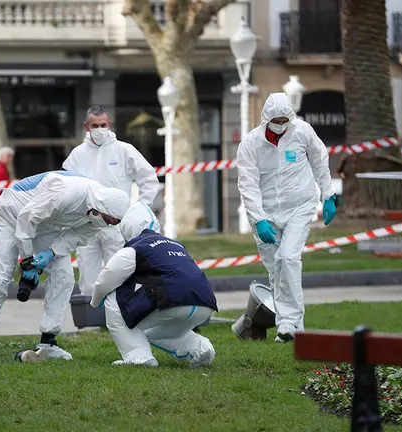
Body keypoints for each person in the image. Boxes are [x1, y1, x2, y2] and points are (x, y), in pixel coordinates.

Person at [0, 170, 131, 364]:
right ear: (101, 208)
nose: (107, 224)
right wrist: (28, 261)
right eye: (107, 220)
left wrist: (51, 253)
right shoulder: (66, 193)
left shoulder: (101, 214)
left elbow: (75, 236)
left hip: (45, 226)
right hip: (11, 215)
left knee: (64, 276)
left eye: (112, 223)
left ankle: (48, 342)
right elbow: (26, 219)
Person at [236, 92, 337, 343]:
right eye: (277, 121)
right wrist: (258, 219)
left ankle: (292, 324)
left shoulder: (302, 132)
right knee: (276, 269)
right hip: (266, 212)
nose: (281, 125)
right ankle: (288, 326)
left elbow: (320, 161)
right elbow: (248, 185)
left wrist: (328, 194)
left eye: (285, 120)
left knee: (288, 258)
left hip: (299, 206)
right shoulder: (251, 144)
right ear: (266, 119)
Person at [90, 202, 217, 367]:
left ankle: (139, 358)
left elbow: (106, 279)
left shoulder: (136, 247)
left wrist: (95, 302)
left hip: (171, 301)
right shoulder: (176, 244)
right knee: (159, 332)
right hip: (204, 303)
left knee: (113, 298)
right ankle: (200, 349)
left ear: (127, 227)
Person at [63, 106, 159, 297]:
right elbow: (67, 188)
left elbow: (148, 178)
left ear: (109, 124)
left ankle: (118, 314)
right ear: (86, 126)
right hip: (86, 226)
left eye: (103, 125)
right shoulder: (77, 155)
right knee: (88, 283)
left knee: (118, 279)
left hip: (116, 226)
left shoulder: (124, 150)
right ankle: (92, 313)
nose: (99, 129)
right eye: (95, 125)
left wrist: (140, 208)